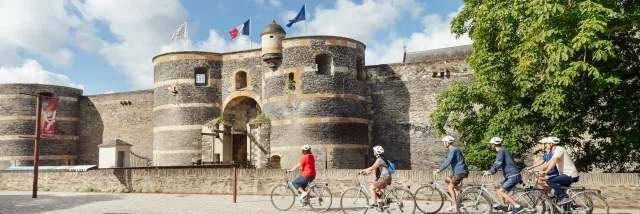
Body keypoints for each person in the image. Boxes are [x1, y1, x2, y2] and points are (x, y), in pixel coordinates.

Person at [483, 137, 524, 214]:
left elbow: (497, 163)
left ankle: (517, 206)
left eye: (492, 144)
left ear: (494, 144)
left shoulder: (501, 151)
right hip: (510, 175)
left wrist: (490, 172)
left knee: (501, 191)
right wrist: (489, 171)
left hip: (513, 175)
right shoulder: (503, 150)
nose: (491, 145)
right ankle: (504, 206)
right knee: (498, 189)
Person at [433, 135, 469, 212]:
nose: (443, 143)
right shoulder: (453, 149)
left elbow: (448, 161)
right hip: (457, 171)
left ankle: (455, 205)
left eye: (444, 142)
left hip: (460, 172)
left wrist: (440, 169)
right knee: (447, 180)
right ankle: (459, 190)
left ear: (447, 142)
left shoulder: (454, 149)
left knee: (450, 187)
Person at [540, 137, 580, 205]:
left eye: (547, 144)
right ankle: (566, 209)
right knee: (557, 193)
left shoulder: (559, 149)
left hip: (570, 174)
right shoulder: (554, 151)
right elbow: (550, 161)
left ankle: (565, 197)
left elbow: (554, 161)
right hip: (565, 175)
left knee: (549, 181)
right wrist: (541, 170)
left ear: (551, 144)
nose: (545, 145)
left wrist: (546, 171)